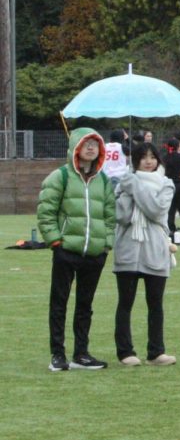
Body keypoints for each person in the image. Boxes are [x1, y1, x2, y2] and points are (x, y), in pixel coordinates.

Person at [38, 127, 116, 372]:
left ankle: (81, 354)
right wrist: (55, 241)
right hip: (66, 251)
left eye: (95, 143)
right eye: (87, 143)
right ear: (75, 147)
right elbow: (46, 212)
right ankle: (57, 355)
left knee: (85, 305)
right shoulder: (59, 177)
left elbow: (111, 215)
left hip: (94, 253)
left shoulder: (103, 180)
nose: (91, 148)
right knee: (59, 303)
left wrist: (105, 243)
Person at [113, 141, 177, 366]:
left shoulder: (166, 184)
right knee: (125, 302)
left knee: (155, 303)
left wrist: (135, 188)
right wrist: (128, 189)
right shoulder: (124, 184)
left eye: (152, 157)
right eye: (143, 157)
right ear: (135, 161)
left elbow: (156, 210)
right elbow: (122, 215)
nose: (148, 161)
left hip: (155, 249)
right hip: (128, 249)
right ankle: (125, 352)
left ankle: (156, 351)